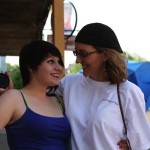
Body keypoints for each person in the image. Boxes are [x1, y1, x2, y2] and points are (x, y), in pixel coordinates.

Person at [54, 23, 150, 150]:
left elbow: (141, 143)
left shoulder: (128, 92)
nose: (77, 60)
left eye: (83, 53)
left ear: (105, 55)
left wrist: (132, 145)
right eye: (76, 53)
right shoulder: (68, 84)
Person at [0, 40, 71, 150]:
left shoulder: (59, 101)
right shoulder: (13, 97)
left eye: (59, 62)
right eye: (51, 61)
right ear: (30, 66)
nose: (59, 68)